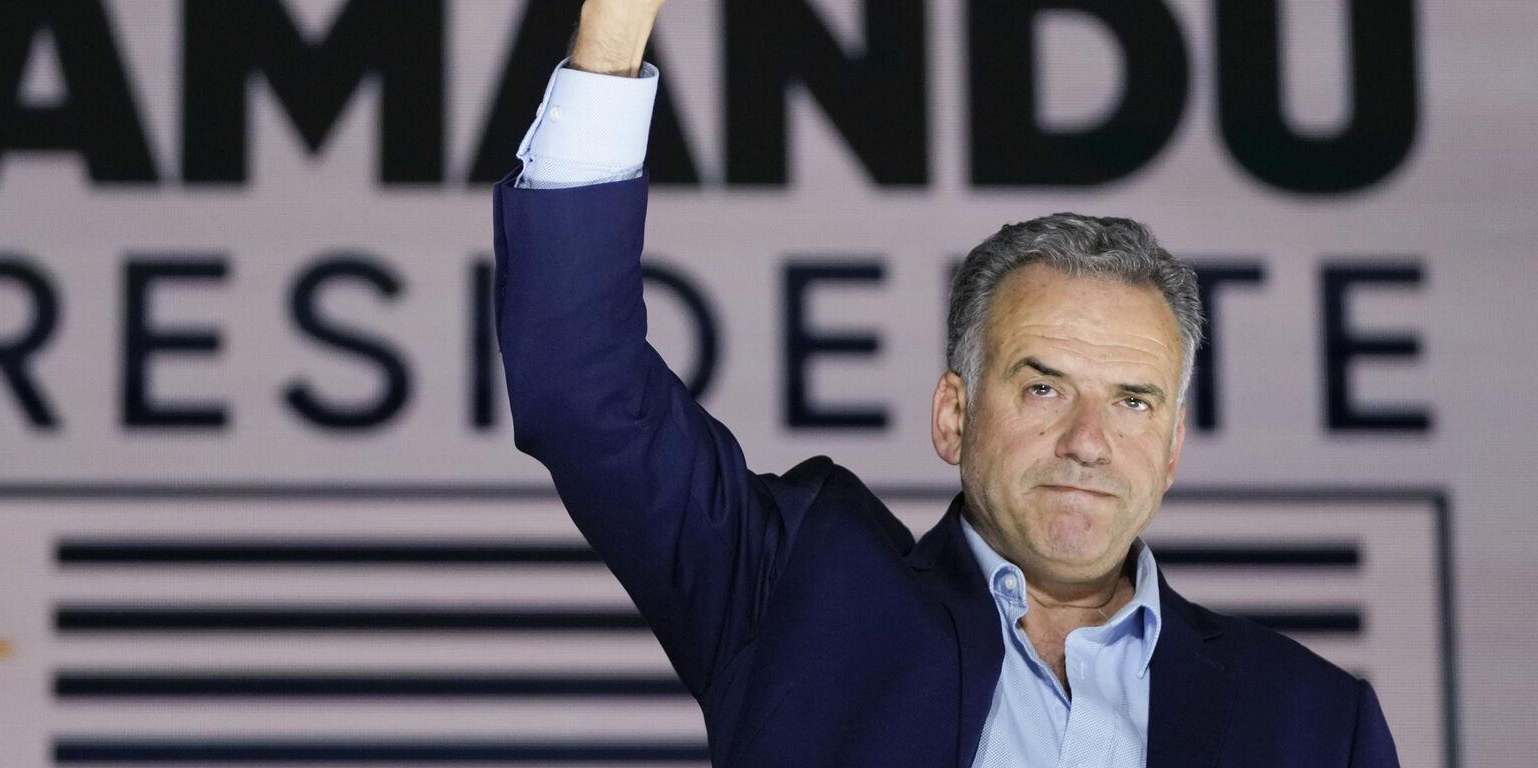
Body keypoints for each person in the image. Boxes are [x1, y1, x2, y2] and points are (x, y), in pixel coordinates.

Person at [492, 1, 1401, 766]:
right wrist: (615, 27)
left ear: (1172, 450)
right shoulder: (796, 597)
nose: (1089, 442)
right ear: (953, 416)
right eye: (1043, 389)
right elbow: (578, 380)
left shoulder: (1312, 722)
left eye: (1133, 402)